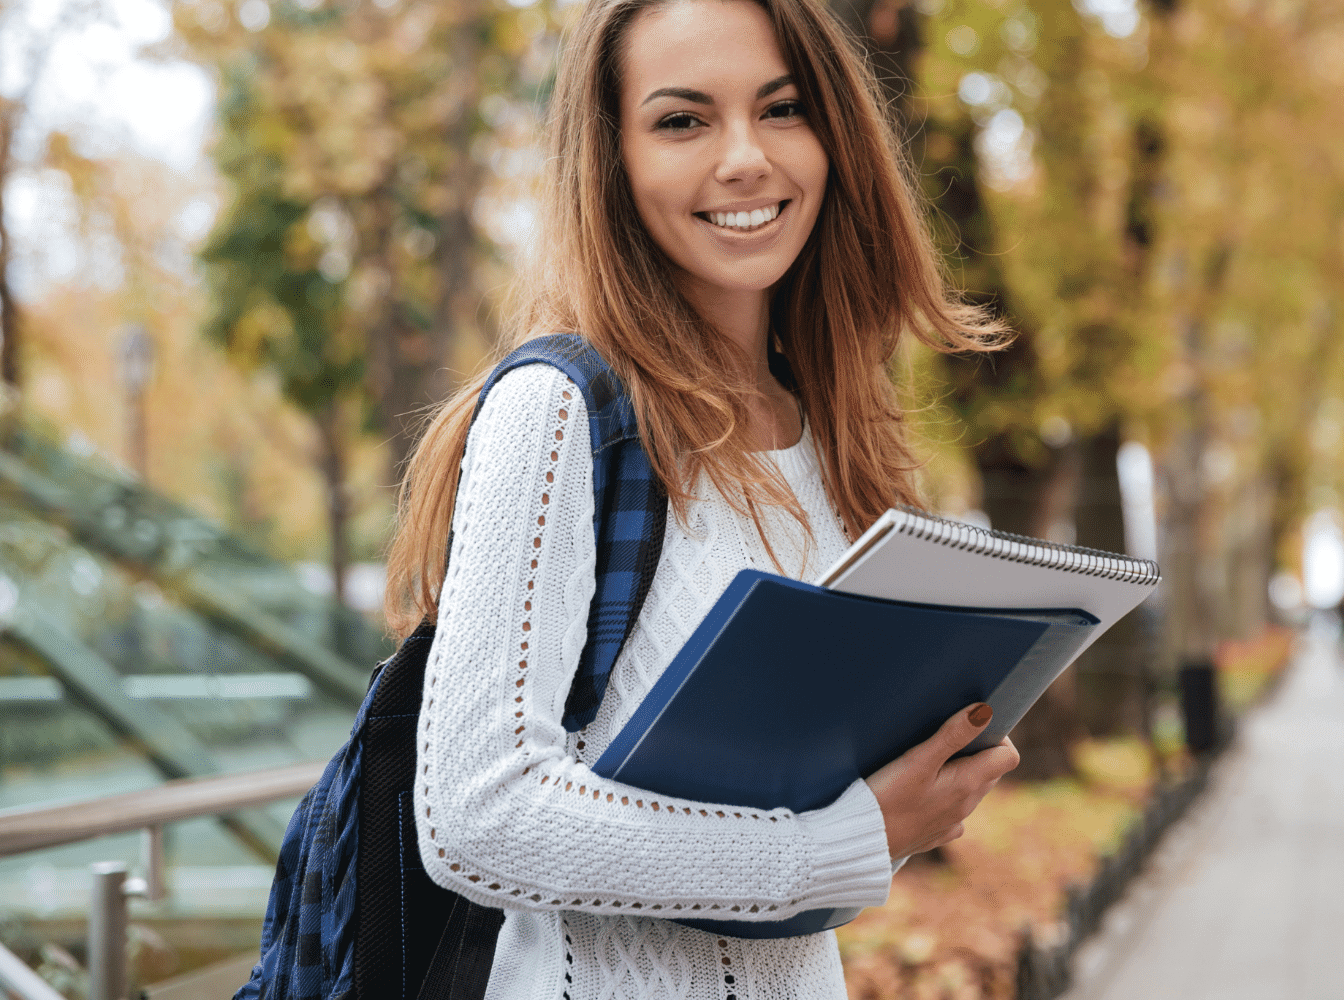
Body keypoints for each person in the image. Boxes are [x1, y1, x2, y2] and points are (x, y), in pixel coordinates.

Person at [378, 0, 1021, 996]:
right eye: (683, 120)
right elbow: (476, 815)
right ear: (613, 159)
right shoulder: (559, 411)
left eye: (782, 108)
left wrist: (920, 778)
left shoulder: (830, 424)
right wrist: (843, 843)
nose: (745, 158)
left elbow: (793, 830)